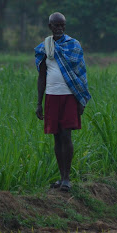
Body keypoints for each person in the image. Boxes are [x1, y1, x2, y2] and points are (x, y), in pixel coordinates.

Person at [34, 12, 91, 192]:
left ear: (65, 26)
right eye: (56, 25)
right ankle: (61, 177)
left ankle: (67, 178)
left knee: (66, 136)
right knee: (57, 138)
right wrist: (39, 102)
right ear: (50, 27)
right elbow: (41, 76)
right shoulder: (45, 48)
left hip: (69, 96)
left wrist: (81, 100)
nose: (59, 28)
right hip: (51, 96)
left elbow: (81, 74)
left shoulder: (73, 45)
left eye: (62, 25)